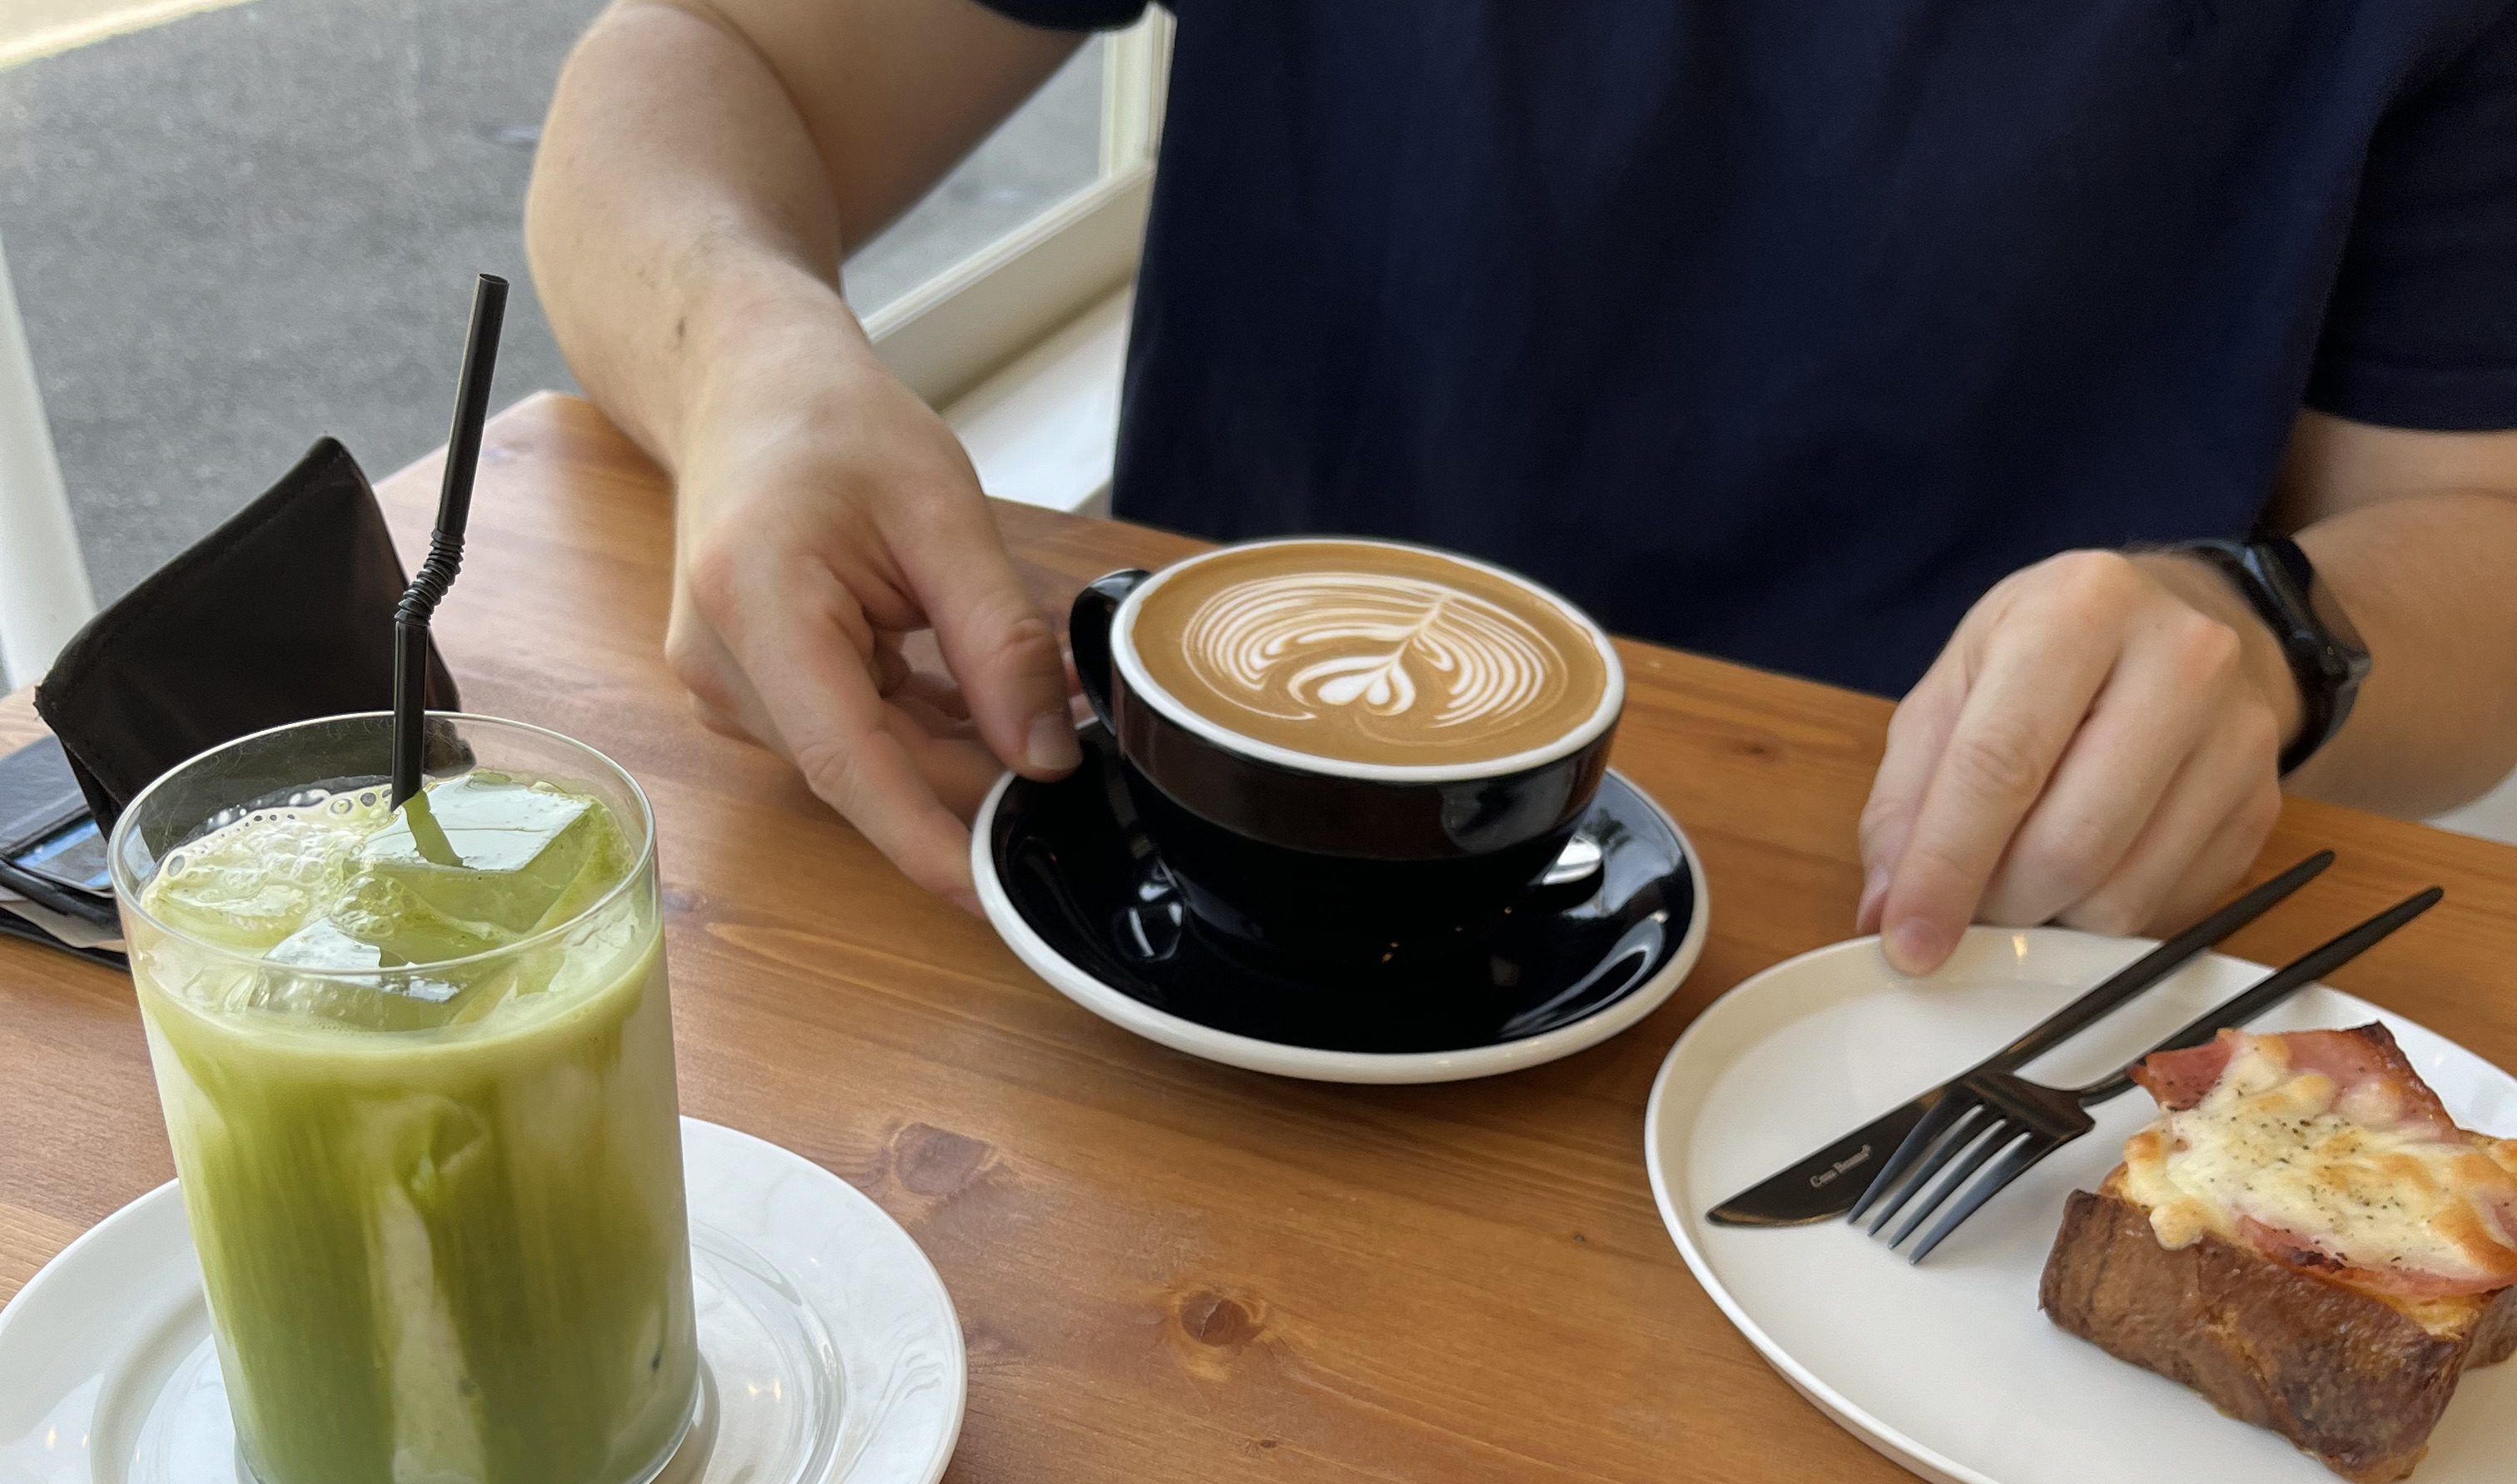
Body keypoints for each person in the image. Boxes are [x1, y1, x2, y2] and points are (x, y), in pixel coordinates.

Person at [527, 2, 2517, 970]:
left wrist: (2274, 637)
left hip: (1924, 994)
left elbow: (2476, 531)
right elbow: (706, 64)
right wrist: (752, 359)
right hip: (1140, 907)